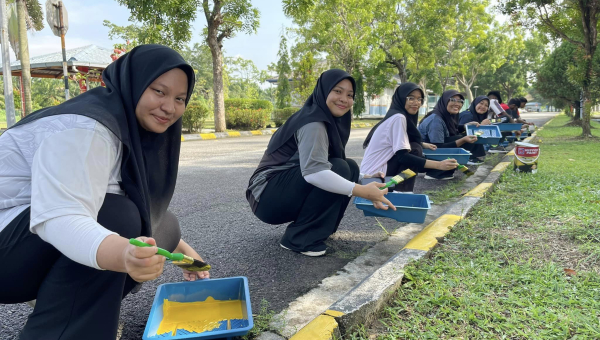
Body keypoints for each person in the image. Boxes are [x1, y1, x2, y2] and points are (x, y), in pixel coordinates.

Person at [0, 45, 209, 340]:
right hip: (7, 249)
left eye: (179, 98)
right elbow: (59, 216)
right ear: (132, 84)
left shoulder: (123, 125)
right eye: (158, 91)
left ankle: (76, 314)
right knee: (119, 217)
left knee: (163, 224)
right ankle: (63, 328)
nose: (169, 107)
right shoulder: (86, 128)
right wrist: (125, 255)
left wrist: (187, 256)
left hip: (24, 239)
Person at [246, 69, 394, 257]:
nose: (344, 99)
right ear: (323, 91)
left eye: (350, 95)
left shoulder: (323, 119)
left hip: (279, 190)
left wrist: (364, 178)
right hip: (266, 197)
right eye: (337, 91)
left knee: (349, 166)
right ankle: (299, 239)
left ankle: (315, 232)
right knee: (340, 167)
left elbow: (321, 163)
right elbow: (315, 172)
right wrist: (362, 190)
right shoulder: (313, 123)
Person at [361, 82, 457, 192]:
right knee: (415, 150)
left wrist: (423, 144)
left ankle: (399, 190)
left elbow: (399, 141)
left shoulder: (395, 114)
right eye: (411, 98)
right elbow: (403, 157)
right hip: (372, 178)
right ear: (401, 99)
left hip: (369, 176)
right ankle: (401, 192)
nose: (416, 103)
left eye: (419, 99)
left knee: (416, 146)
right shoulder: (399, 118)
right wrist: (439, 165)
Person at [418, 90, 478, 180]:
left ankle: (444, 171)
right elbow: (437, 147)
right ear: (445, 101)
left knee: (462, 136)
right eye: (453, 100)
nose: (457, 104)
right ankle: (436, 172)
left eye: (460, 101)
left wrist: (465, 126)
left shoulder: (446, 115)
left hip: (428, 151)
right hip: (422, 155)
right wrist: (463, 140)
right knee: (461, 139)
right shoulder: (436, 120)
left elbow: (450, 129)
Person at [458, 95, 490, 164]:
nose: (483, 106)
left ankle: (471, 156)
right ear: (475, 103)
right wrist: (482, 126)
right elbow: (461, 133)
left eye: (486, 105)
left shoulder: (476, 116)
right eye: (481, 103)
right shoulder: (467, 115)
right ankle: (467, 157)